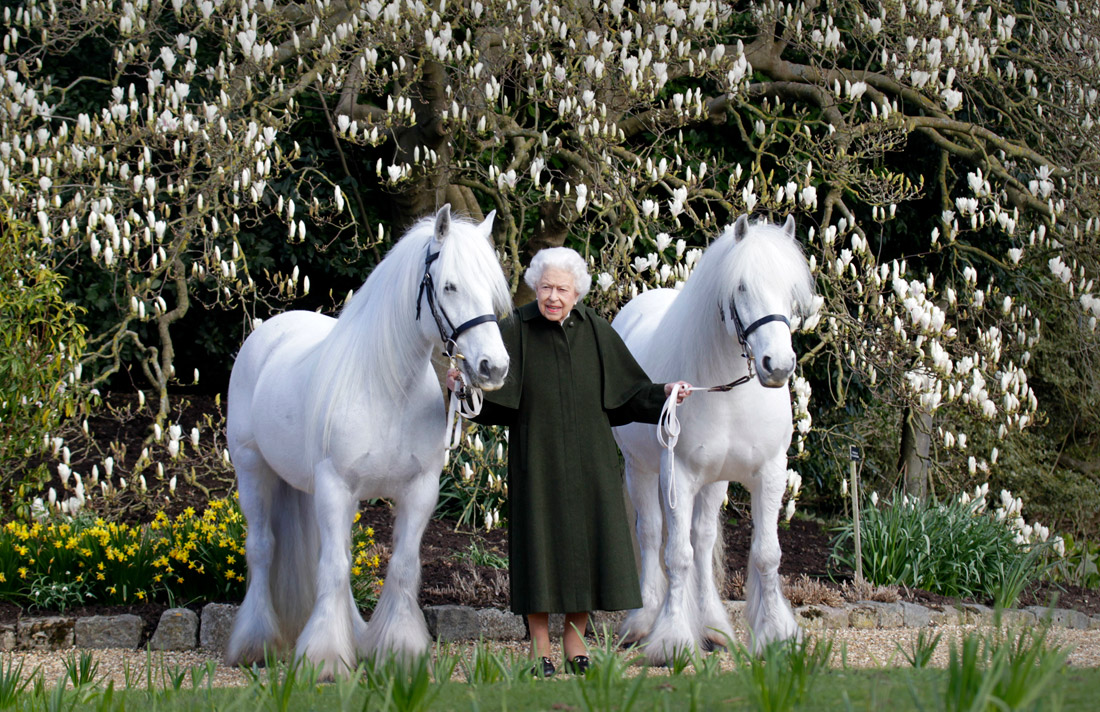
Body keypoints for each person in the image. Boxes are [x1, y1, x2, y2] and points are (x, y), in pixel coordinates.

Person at [447, 247, 690, 677]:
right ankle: (540, 643)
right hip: (535, 461)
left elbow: (630, 393)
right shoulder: (516, 329)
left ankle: (574, 637)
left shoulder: (596, 331)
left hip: (590, 462)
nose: (552, 297)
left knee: (588, 550)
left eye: (561, 288)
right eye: (545, 288)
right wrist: (461, 387)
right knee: (538, 550)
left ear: (577, 291)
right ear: (534, 289)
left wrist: (667, 392)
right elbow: (489, 398)